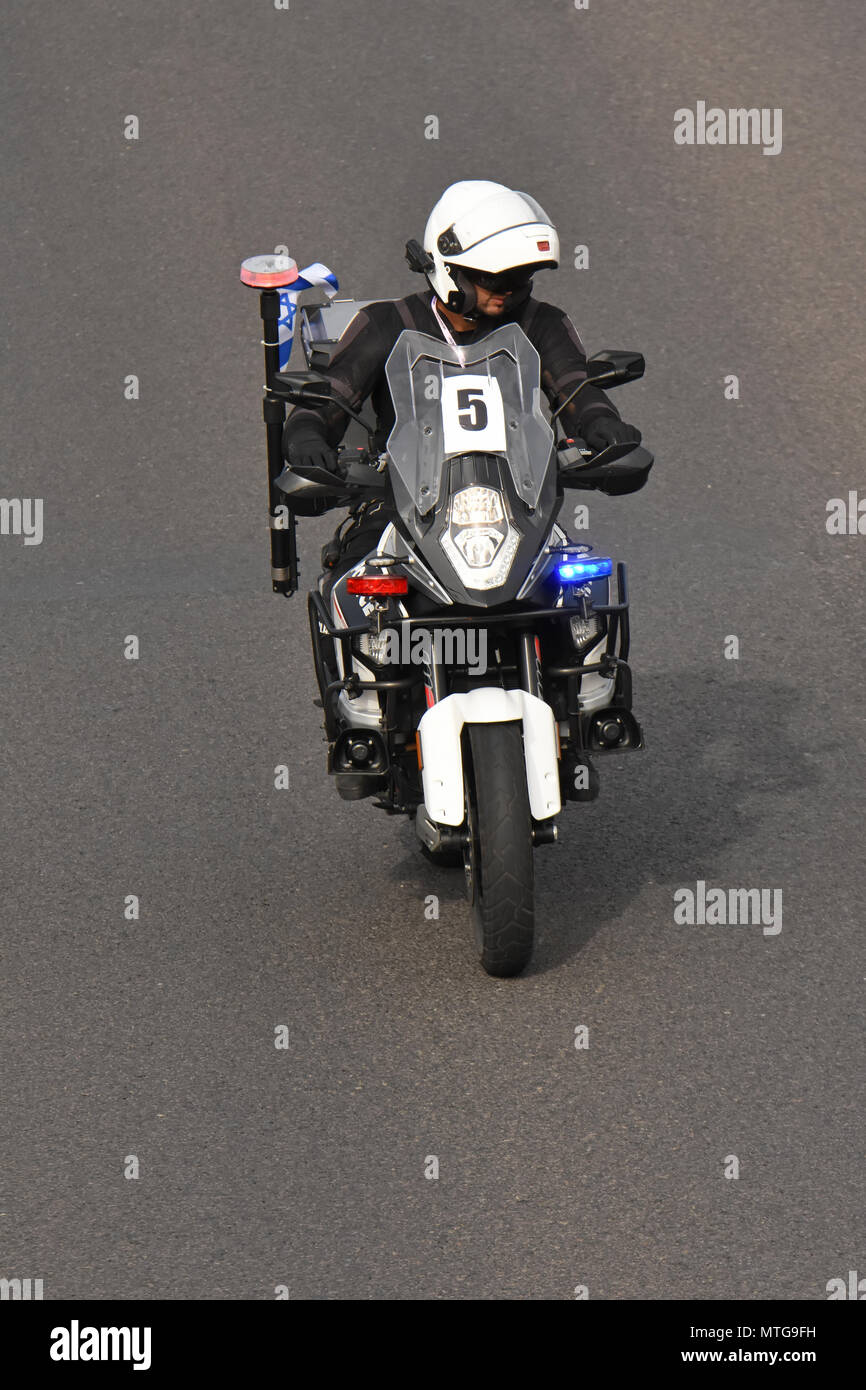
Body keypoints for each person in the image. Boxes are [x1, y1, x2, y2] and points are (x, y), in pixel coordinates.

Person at [283, 180, 642, 568]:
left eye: (519, 277)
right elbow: (331, 399)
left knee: (578, 590)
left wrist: (602, 422)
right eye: (493, 278)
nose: (507, 291)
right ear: (447, 267)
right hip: (401, 505)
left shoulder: (542, 322)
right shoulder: (387, 323)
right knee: (359, 580)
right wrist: (306, 435)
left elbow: (576, 388)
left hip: (518, 507)